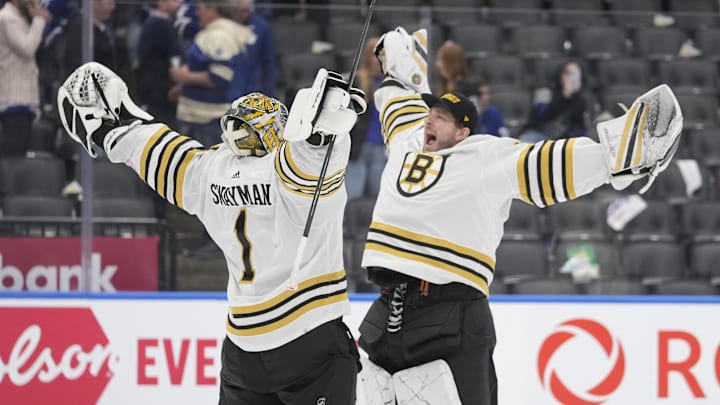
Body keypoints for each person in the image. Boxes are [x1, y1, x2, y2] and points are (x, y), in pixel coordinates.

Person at [355, 27, 683, 404]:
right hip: (386, 313)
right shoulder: (409, 138)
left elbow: (546, 163)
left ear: (464, 133)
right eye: (430, 113)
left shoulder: (483, 155)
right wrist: (397, 68)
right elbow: (399, 105)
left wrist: (616, 158)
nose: (430, 120)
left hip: (450, 310)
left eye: (442, 118)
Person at [57, 62, 367, 404]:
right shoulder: (286, 170)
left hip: (242, 352)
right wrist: (324, 133)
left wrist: (111, 132)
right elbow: (310, 159)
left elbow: (159, 153)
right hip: (308, 338)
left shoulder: (209, 170)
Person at [170, 0, 252, 148]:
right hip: (207, 118)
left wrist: (186, 77)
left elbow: (220, 77)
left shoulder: (218, 36)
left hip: (210, 118)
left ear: (212, 8)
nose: (196, 12)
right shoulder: (216, 33)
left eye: (199, 8)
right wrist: (185, 86)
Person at [0, 0, 49, 157]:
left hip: (24, 99)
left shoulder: (21, 19)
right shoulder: (6, 19)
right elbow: (27, 48)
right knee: (13, 155)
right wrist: (40, 19)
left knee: (21, 153)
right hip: (13, 100)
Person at [346, 36, 386, 201]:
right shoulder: (357, 80)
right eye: (374, 55)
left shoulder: (390, 84)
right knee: (352, 197)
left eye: (382, 55)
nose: (378, 60)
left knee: (377, 199)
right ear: (367, 57)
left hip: (381, 149)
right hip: (359, 147)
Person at [135, 0, 183, 127]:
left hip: (154, 86)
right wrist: (178, 81)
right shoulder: (160, 24)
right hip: (160, 90)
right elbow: (174, 56)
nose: (179, 3)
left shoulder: (154, 21)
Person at [518, 60, 588, 143]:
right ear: (560, 75)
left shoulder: (581, 100)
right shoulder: (545, 91)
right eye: (568, 73)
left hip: (563, 141)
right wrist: (564, 95)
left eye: (576, 74)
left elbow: (580, 129)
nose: (572, 78)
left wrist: (576, 100)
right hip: (537, 134)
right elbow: (541, 116)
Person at [230, 0, 278, 98]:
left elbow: (268, 62)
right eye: (240, 11)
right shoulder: (223, 26)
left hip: (253, 90)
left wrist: (269, 95)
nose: (243, 15)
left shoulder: (261, 27)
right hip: (229, 89)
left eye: (246, 11)